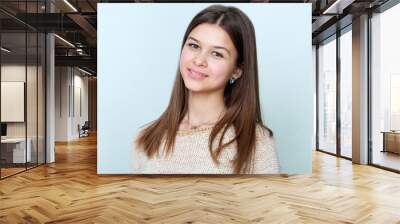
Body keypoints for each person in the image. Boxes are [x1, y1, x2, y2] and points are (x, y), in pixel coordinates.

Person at [132, 5, 280, 174]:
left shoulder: (256, 141)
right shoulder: (145, 137)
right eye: (194, 46)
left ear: (237, 70)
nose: (199, 60)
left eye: (217, 54)